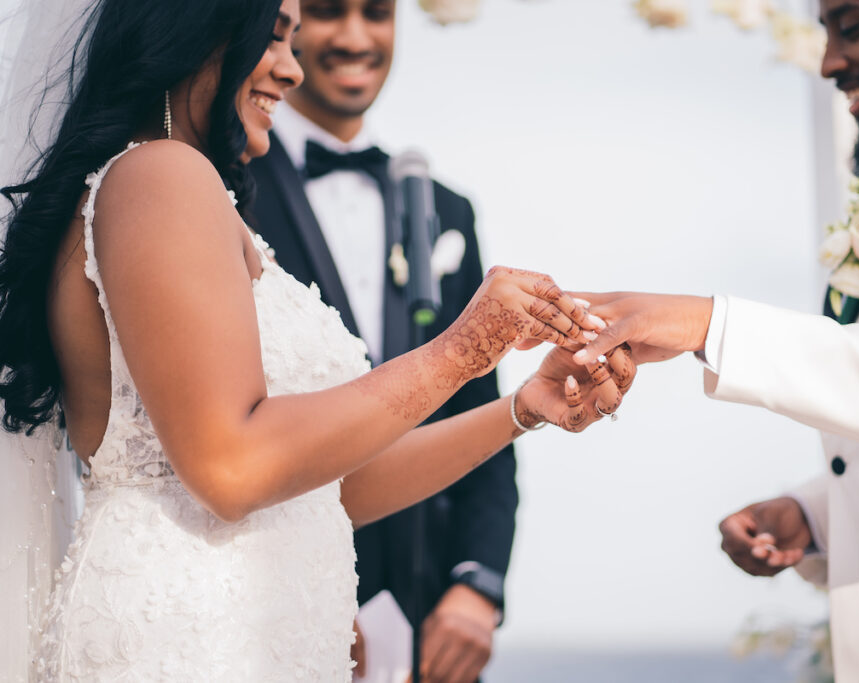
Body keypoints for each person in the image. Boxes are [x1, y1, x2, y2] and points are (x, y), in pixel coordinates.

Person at [0, 0, 636, 678]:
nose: (290, 69)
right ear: (199, 29)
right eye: (274, 38)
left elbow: (325, 485)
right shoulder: (161, 174)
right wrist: (464, 348)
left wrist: (521, 408)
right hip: (192, 643)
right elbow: (232, 468)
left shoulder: (177, 185)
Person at [574, 0, 859, 679]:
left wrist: (714, 326)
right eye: (823, 34)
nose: (827, 62)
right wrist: (816, 514)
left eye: (852, 27)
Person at [247, 2, 515, 680]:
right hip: (268, 599)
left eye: (378, 12)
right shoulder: (228, 183)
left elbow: (475, 405)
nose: (357, 37)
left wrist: (476, 586)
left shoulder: (446, 210)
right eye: (331, 12)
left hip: (427, 627)